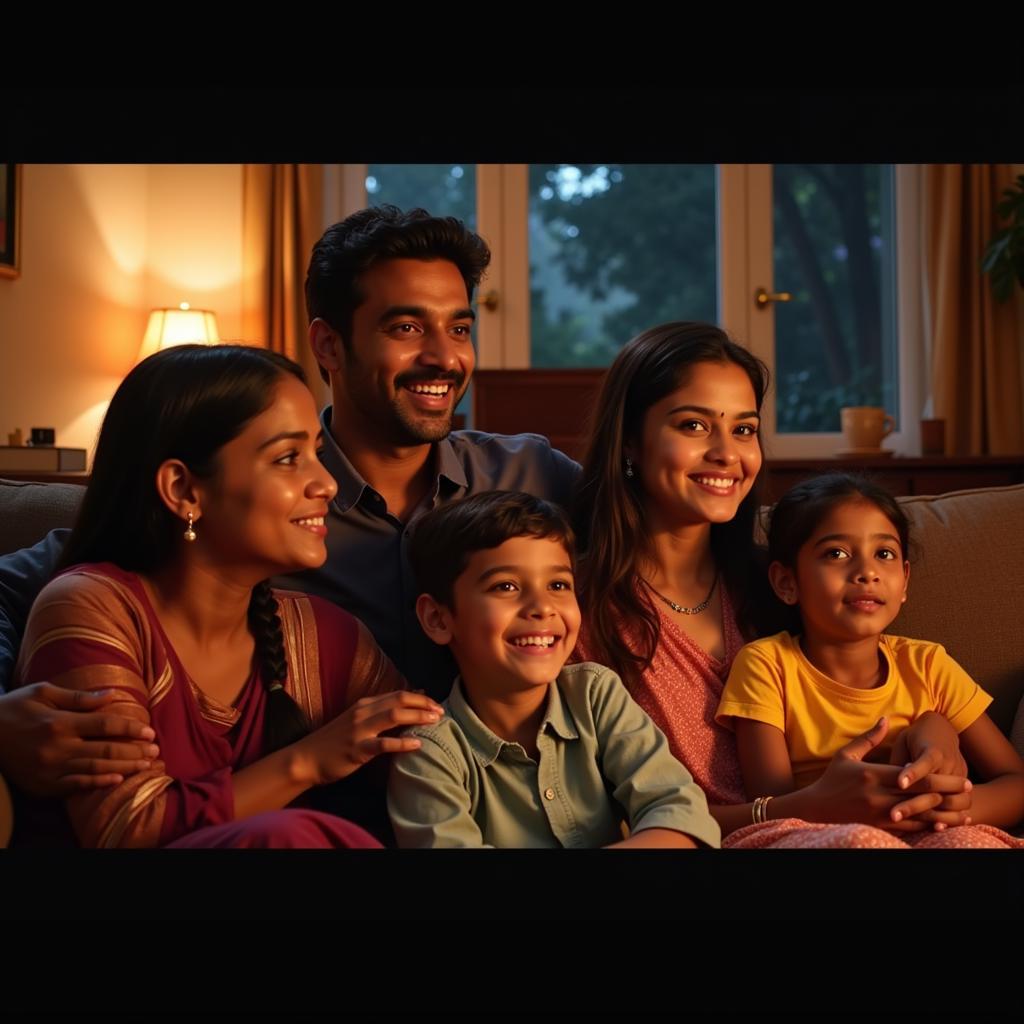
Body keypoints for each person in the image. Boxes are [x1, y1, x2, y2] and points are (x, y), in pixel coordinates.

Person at [0, 204, 579, 795]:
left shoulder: (531, 474)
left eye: (458, 328)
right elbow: (40, 579)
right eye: (406, 328)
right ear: (328, 344)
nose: (444, 357)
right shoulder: (252, 503)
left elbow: (662, 541)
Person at [10, 344, 442, 848]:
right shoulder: (94, 607)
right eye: (287, 458)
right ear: (183, 489)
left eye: (317, 456)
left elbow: (438, 760)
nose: (325, 483)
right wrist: (307, 761)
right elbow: (124, 826)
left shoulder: (325, 635)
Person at [572, 321, 972, 843]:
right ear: (630, 442)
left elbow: (899, 690)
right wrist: (807, 808)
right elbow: (598, 817)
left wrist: (934, 736)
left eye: (743, 429)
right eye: (693, 426)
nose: (726, 453)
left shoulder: (788, 585)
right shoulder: (578, 613)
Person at [387, 491, 720, 849]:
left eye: (558, 585)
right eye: (506, 586)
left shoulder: (594, 694)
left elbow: (681, 812)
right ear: (438, 618)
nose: (542, 607)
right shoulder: (428, 754)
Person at [716, 472, 1024, 848]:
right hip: (814, 831)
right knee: (863, 841)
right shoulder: (766, 665)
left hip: (934, 828)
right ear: (787, 582)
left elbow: (1016, 783)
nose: (867, 572)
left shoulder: (929, 665)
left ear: (905, 580)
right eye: (836, 554)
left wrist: (953, 806)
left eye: (884, 554)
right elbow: (772, 805)